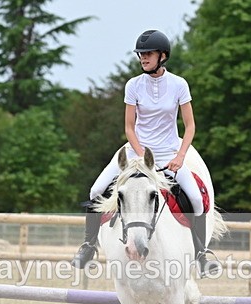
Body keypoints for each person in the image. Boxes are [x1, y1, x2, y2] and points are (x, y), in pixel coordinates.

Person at [72, 29, 221, 277]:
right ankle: (88, 247)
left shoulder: (179, 85)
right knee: (96, 190)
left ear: (163, 56)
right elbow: (129, 127)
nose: (143, 58)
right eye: (141, 54)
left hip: (167, 153)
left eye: (148, 54)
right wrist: (141, 157)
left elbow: (190, 126)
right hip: (135, 153)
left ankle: (201, 254)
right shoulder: (133, 85)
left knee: (195, 199)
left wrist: (180, 156)